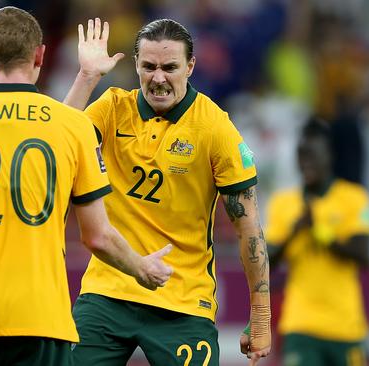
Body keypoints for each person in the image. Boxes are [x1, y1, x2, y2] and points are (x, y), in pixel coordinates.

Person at [0, 7, 173, 366]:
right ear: (40, 55)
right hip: (45, 322)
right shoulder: (71, 128)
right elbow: (97, 236)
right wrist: (141, 267)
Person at [64, 18, 271, 365]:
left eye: (170, 67)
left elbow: (248, 228)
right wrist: (87, 77)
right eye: (149, 67)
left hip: (183, 301)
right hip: (109, 290)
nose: (158, 78)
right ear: (136, 66)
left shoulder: (214, 127)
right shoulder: (113, 108)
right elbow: (55, 146)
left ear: (190, 67)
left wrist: (261, 317)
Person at [263, 118, 369, 366]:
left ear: (330, 155)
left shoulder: (354, 198)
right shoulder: (284, 203)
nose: (306, 162)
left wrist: (320, 233)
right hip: (301, 324)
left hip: (346, 326)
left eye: (313, 154)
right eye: (301, 155)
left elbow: (363, 255)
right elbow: (264, 263)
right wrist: (294, 232)